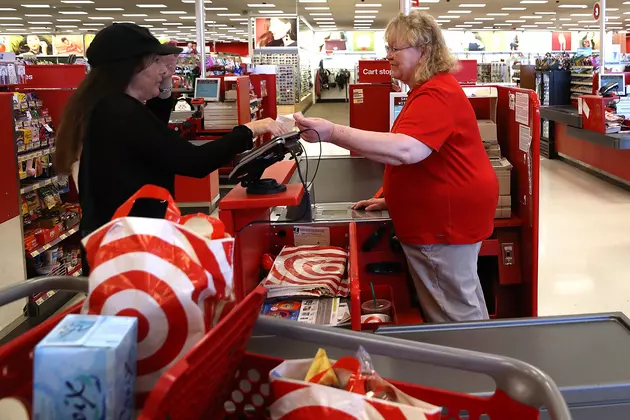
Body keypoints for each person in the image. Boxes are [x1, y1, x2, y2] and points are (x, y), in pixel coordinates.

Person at [294, 11, 498, 323]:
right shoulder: (426, 91)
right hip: (442, 217)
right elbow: (426, 157)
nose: (387, 56)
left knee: (454, 314)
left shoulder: (436, 93)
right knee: (459, 300)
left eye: (394, 48)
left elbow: (405, 150)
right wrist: (393, 198)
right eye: (387, 48)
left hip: (443, 223)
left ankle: (473, 369)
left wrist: (332, 132)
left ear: (424, 51)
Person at [54, 23, 286, 272]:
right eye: (156, 62)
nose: (163, 70)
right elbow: (194, 162)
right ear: (133, 66)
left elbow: (153, 130)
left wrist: (164, 86)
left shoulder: (107, 107)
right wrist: (249, 130)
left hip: (120, 242)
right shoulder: (119, 111)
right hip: (127, 253)